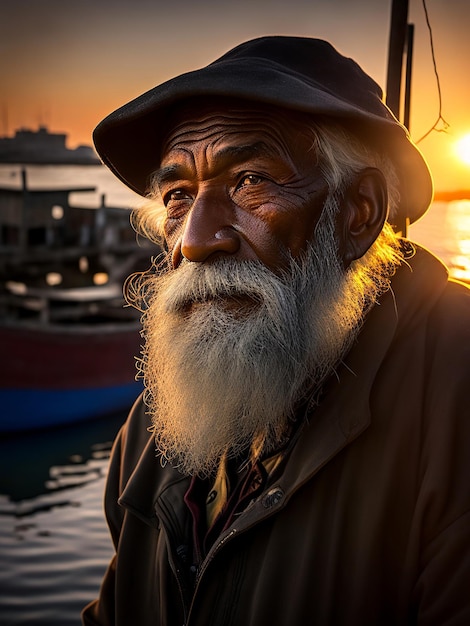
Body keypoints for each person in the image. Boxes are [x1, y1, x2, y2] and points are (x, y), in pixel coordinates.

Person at [82, 36, 470, 625]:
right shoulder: (158, 425)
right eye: (179, 196)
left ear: (358, 212)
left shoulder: (453, 392)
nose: (195, 239)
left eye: (251, 181)